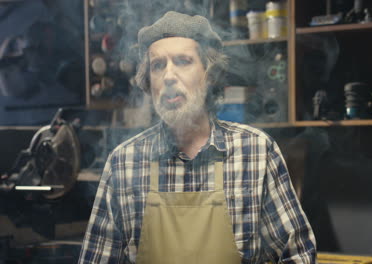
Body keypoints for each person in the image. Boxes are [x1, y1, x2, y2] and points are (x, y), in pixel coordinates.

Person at [78, 11, 316, 263]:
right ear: (148, 80)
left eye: (183, 61)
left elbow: (298, 255)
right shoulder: (123, 163)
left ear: (209, 74)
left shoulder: (256, 151)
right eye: (158, 65)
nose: (169, 76)